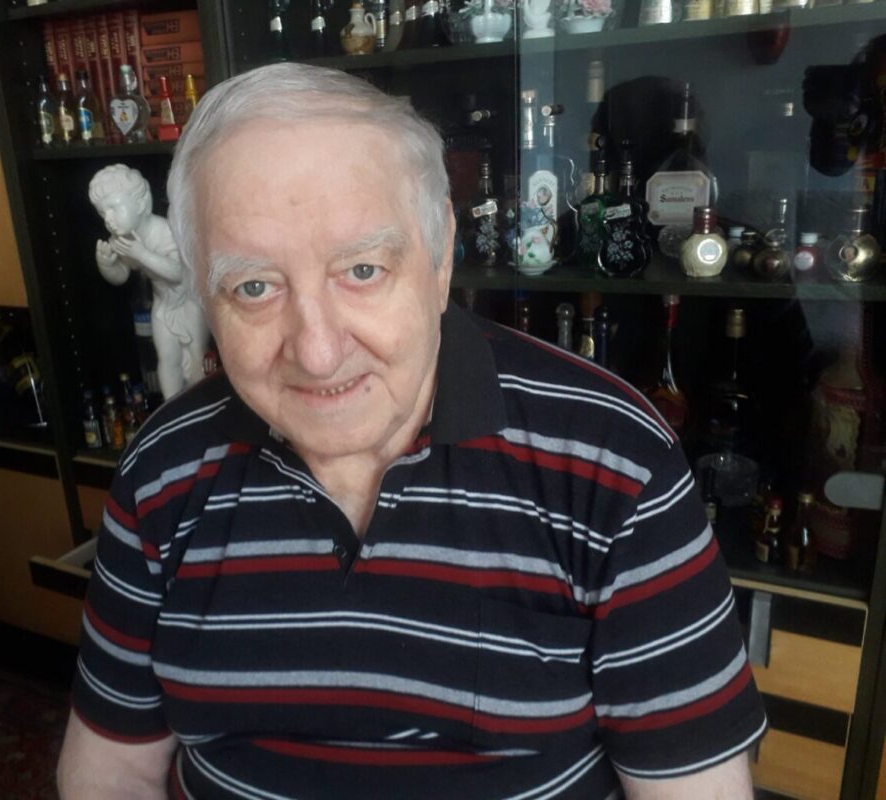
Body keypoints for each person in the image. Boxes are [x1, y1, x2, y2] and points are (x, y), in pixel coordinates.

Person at [58, 63, 766, 799]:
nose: (317, 352)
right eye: (255, 287)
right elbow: (112, 769)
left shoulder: (615, 461)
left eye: (362, 270)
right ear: (207, 295)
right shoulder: (161, 469)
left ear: (439, 257)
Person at [89, 164, 209, 400]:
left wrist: (141, 253)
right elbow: (121, 276)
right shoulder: (122, 239)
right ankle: (171, 407)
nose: (109, 219)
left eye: (114, 208)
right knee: (167, 358)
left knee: (198, 359)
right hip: (163, 304)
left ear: (141, 204)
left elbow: (179, 272)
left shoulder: (165, 230)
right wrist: (108, 265)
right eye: (103, 214)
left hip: (190, 301)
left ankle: (200, 406)